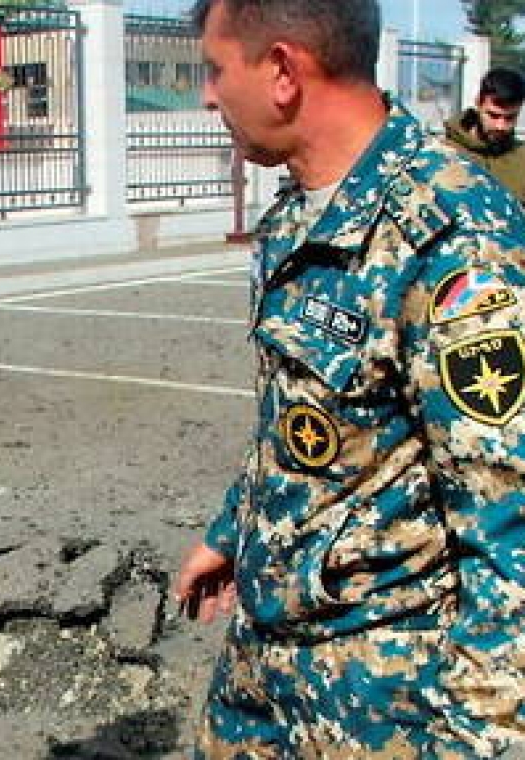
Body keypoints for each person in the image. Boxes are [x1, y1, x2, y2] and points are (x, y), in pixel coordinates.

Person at [174, 0, 525, 757]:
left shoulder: (456, 235)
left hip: (386, 697)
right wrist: (231, 528)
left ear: (281, 71)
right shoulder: (297, 214)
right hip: (263, 665)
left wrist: (477, 738)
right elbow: (303, 418)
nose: (206, 95)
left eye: (214, 70)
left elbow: (511, 532)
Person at [445, 67, 525, 204]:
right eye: (493, 115)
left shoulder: (522, 158)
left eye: (510, 118)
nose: (500, 126)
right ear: (478, 103)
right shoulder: (444, 152)